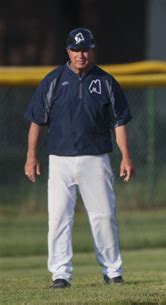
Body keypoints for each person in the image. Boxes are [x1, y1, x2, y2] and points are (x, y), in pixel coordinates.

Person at [24, 28, 134, 289]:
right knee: (59, 218)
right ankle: (60, 274)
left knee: (104, 216)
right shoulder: (53, 80)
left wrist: (126, 156)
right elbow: (37, 121)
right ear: (68, 51)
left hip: (96, 157)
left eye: (85, 49)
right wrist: (31, 156)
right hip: (60, 159)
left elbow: (119, 122)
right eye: (76, 49)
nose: (81, 54)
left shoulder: (106, 82)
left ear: (92, 50)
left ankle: (113, 270)